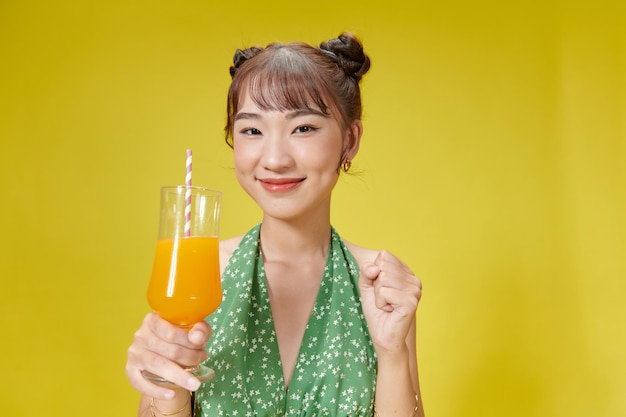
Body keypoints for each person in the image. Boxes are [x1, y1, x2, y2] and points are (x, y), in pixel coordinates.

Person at [126, 32, 424, 417]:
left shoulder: (380, 287)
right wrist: (166, 381)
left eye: (303, 128)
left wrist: (392, 352)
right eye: (252, 130)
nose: (275, 159)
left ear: (349, 140)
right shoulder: (198, 272)